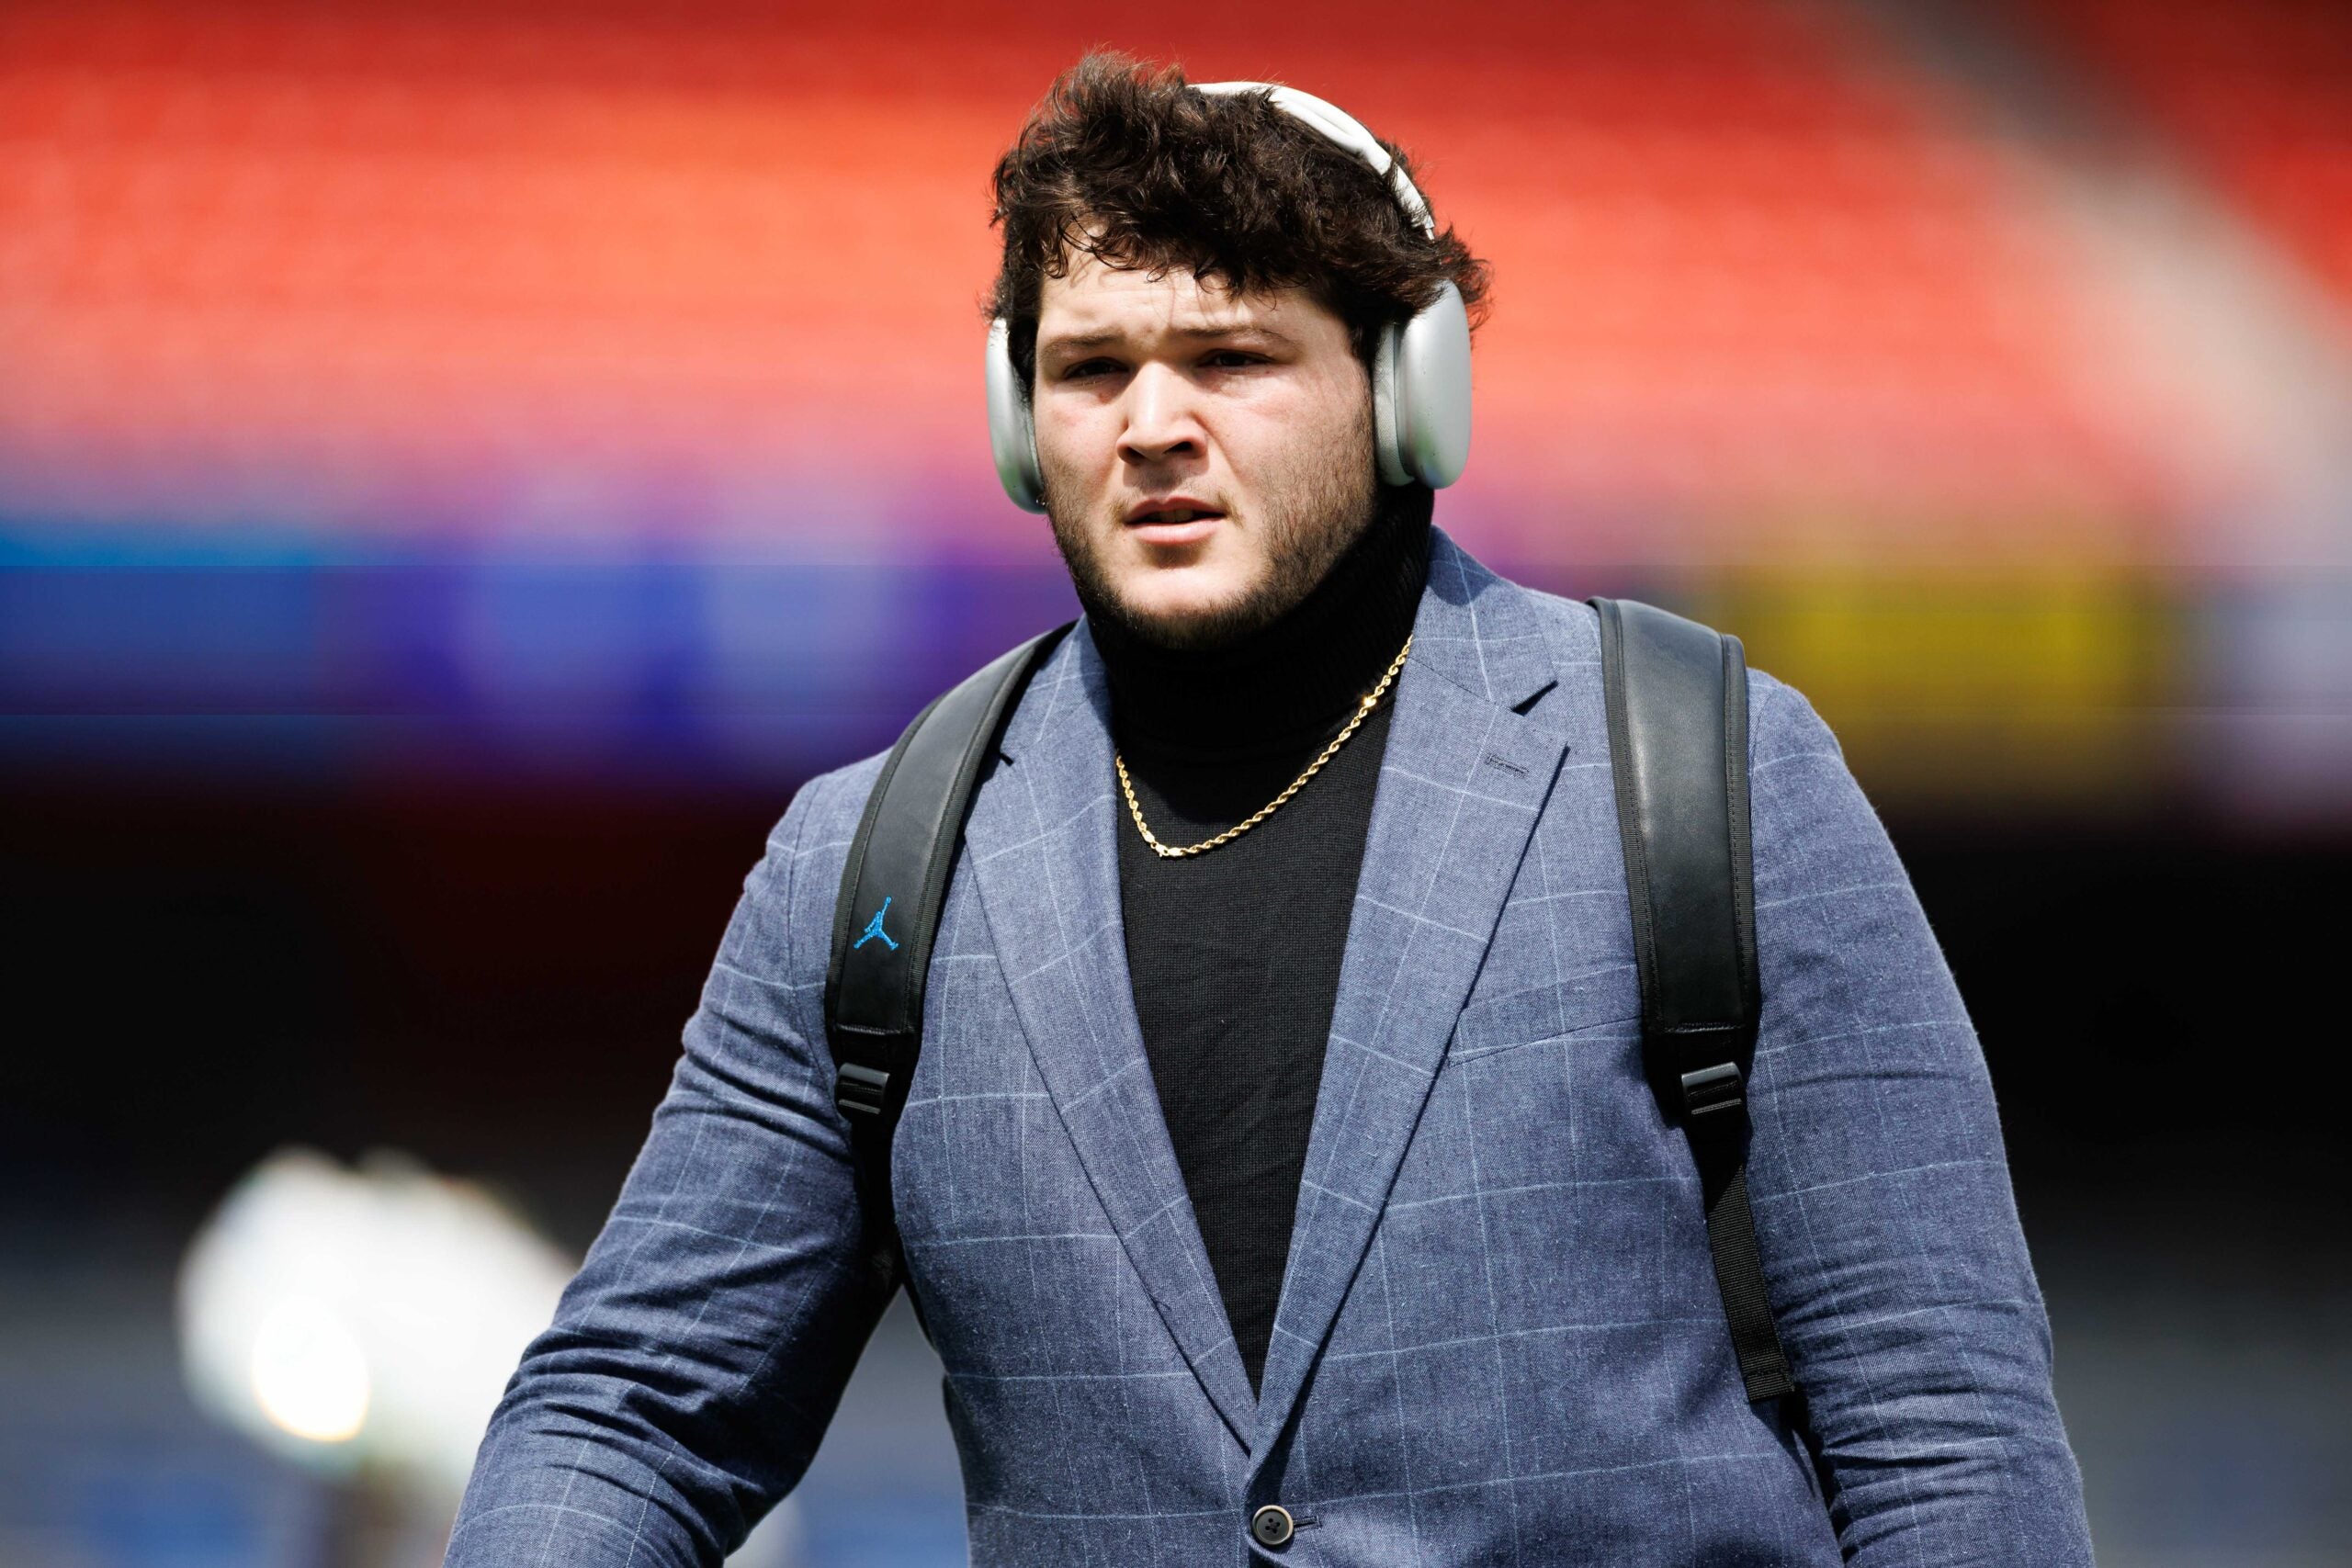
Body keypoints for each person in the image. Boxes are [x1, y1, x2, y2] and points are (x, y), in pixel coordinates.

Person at [447, 52, 2093, 1566]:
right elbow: (634, 1411)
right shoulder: (868, 863)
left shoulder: (1710, 771)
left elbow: (1945, 1434)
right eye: (1091, 369)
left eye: (1231, 359)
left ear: (1403, 393)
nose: (1154, 424)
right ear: (1025, 428)